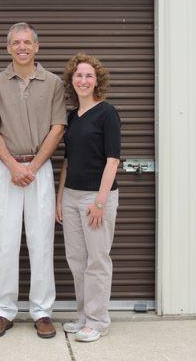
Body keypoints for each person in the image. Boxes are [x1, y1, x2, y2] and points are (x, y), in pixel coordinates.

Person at [0, 22, 67, 339]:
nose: (22, 47)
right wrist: (13, 166)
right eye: (16, 42)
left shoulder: (54, 83)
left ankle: (42, 311)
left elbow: (58, 127)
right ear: (8, 48)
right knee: (4, 241)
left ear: (37, 47)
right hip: (6, 170)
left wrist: (33, 166)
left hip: (39, 169)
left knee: (41, 242)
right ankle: (2, 310)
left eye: (27, 42)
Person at [56, 53, 121, 342]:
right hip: (71, 196)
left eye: (89, 76)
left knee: (97, 260)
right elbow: (67, 161)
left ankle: (97, 321)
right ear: (72, 81)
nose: (83, 80)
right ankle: (83, 316)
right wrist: (60, 198)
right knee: (76, 259)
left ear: (97, 81)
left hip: (97, 197)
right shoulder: (71, 116)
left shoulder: (107, 113)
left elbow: (113, 160)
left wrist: (100, 202)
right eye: (79, 75)